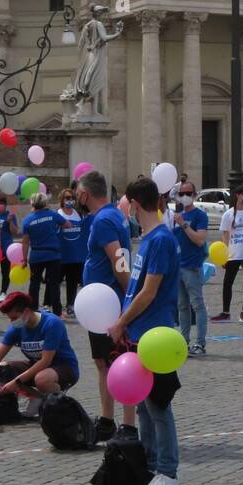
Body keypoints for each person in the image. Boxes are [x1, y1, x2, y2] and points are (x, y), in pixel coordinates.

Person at [109, 177, 183, 485]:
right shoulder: (150, 239)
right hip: (139, 333)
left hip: (154, 335)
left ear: (136, 205)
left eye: (128, 206)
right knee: (143, 406)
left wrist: (122, 321)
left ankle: (167, 470)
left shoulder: (162, 240)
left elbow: (149, 292)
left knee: (158, 406)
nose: (127, 212)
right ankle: (151, 464)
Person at [77, 169, 135, 443]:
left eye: (78, 192)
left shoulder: (102, 221)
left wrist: (128, 298)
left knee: (114, 363)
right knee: (103, 362)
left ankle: (122, 423)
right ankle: (108, 418)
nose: (77, 196)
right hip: (103, 302)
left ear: (85, 193)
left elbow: (118, 259)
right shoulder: (115, 215)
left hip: (107, 304)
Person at [0, 292, 81, 413]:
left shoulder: (52, 323)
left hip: (64, 367)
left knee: (42, 379)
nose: (12, 322)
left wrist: (16, 382)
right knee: (2, 368)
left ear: (26, 311)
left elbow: (46, 361)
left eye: (14, 318)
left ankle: (61, 403)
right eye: (9, 318)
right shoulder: (15, 329)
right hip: (38, 366)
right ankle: (38, 398)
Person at [171, 180, 210, 355]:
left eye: (189, 193)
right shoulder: (175, 216)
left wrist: (184, 225)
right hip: (178, 267)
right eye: (182, 193)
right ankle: (183, 340)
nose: (185, 196)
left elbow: (199, 239)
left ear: (194, 195)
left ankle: (200, 343)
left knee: (197, 305)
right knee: (182, 307)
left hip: (192, 267)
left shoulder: (200, 216)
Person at [214, 189, 243, 323]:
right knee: (227, 282)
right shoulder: (228, 214)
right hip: (234, 253)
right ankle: (226, 311)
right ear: (237, 195)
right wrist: (224, 254)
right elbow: (225, 236)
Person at [20, 192, 64, 315]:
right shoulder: (52, 215)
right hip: (53, 255)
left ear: (32, 203)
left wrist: (24, 259)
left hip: (36, 256)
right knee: (54, 284)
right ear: (45, 203)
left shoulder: (27, 220)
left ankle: (33, 309)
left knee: (34, 284)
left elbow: (25, 242)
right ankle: (57, 311)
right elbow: (68, 224)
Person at [57, 188, 86, 316]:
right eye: (67, 198)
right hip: (61, 255)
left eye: (72, 198)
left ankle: (70, 305)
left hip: (75, 255)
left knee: (72, 282)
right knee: (55, 282)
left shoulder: (78, 213)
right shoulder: (58, 214)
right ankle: (52, 305)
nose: (70, 200)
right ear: (62, 200)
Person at [0, 195, 19, 300]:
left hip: (7, 249)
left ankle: (3, 292)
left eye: (1, 203)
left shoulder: (10, 215)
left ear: (6, 205)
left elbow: (15, 232)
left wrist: (10, 221)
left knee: (5, 272)